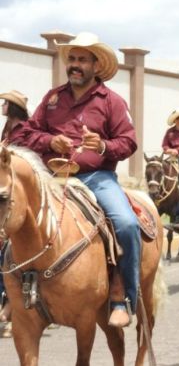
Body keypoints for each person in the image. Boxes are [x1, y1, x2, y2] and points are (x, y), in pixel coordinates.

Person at [16, 32, 139, 327]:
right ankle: (9, 295)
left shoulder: (112, 101)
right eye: (72, 58)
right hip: (51, 178)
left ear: (96, 66)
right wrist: (49, 141)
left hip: (97, 177)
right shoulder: (52, 98)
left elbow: (129, 142)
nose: (75, 64)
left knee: (126, 223)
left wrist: (104, 146)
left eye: (82, 59)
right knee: (11, 217)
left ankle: (123, 298)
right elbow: (24, 134)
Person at [0, 90, 29, 329]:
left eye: (5, 103)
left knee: (8, 244)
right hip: (5, 186)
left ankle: (10, 304)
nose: (2, 106)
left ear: (13, 107)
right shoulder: (7, 129)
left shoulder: (24, 131)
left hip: (19, 190)